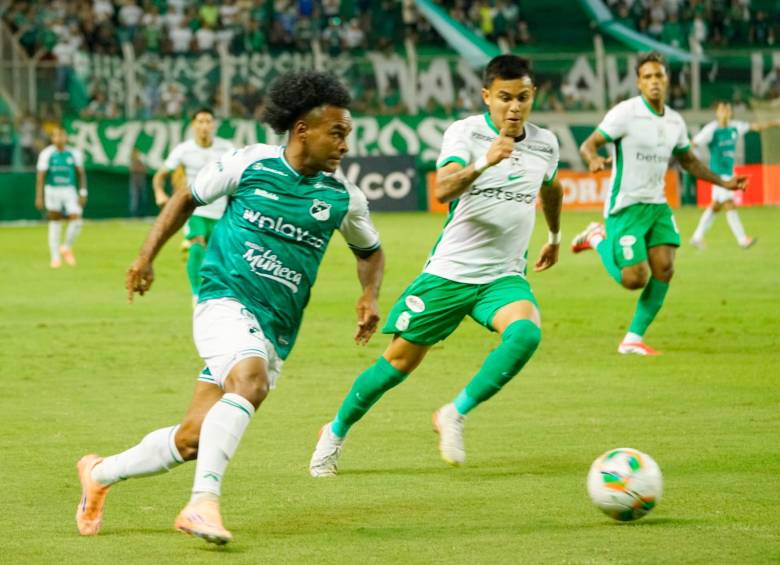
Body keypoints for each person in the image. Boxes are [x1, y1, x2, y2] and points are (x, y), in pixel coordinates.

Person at [75, 71, 384, 545]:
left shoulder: (343, 197)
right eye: (337, 132)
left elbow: (370, 252)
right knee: (250, 381)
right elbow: (186, 198)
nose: (345, 144)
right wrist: (145, 257)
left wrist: (369, 295)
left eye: (348, 134)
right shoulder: (250, 163)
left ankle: (99, 473)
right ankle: (202, 504)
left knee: (192, 439)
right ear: (302, 129)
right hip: (223, 300)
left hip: (276, 327)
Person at [310, 54, 563, 476]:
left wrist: (554, 236)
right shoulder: (465, 133)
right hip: (450, 274)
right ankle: (334, 432)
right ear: (486, 96)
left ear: (533, 95)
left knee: (525, 333)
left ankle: (454, 412)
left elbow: (552, 188)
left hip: (502, 276)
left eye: (522, 97)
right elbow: (443, 189)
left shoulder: (545, 143)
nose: (514, 107)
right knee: (396, 366)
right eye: (504, 97)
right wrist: (485, 161)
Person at [572, 52, 747, 356]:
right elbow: (589, 144)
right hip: (626, 206)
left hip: (657, 205)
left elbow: (688, 161)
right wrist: (593, 159)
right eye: (647, 76)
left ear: (667, 80)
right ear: (639, 82)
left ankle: (632, 339)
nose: (654, 81)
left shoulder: (675, 121)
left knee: (665, 268)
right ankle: (596, 237)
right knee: (634, 279)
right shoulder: (625, 113)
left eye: (659, 76)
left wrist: (723, 182)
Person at [152, 108, 234, 303]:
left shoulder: (227, 149)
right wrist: (159, 193)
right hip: (194, 210)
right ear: (193, 125)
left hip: (220, 212)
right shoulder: (184, 150)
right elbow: (160, 175)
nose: (204, 126)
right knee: (197, 245)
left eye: (208, 121)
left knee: (218, 259)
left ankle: (218, 298)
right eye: (200, 121)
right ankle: (197, 297)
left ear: (214, 125)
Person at [690, 102, 780, 249]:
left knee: (716, 206)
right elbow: (694, 143)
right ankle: (742, 240)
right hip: (718, 175)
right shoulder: (711, 129)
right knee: (729, 203)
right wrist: (695, 161)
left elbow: (755, 127)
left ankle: (697, 237)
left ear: (730, 112)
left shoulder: (735, 126)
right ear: (717, 113)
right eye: (722, 109)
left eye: (727, 109)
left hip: (728, 173)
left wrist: (774, 123)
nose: (725, 112)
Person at [34, 127, 87, 268]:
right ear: (52, 138)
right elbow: (41, 176)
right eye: (56, 136)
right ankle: (55, 257)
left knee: (76, 218)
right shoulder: (47, 154)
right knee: (55, 221)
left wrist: (83, 192)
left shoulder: (74, 153)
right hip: (52, 190)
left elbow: (81, 174)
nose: (59, 138)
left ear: (66, 137)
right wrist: (39, 196)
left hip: (69, 190)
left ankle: (66, 247)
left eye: (61, 135)